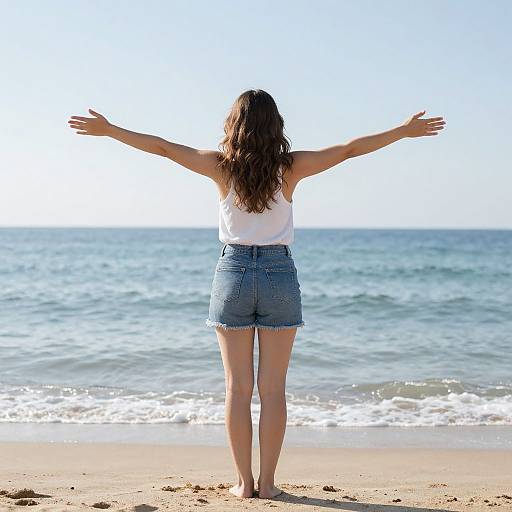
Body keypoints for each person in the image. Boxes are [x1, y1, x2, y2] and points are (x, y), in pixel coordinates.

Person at [68, 90, 445, 499]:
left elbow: (162, 148)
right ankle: (268, 484)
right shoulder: (291, 167)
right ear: (275, 126)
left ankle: (244, 485)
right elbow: (350, 150)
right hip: (279, 273)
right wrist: (403, 131)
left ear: (233, 126)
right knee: (273, 390)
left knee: (236, 388)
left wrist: (110, 131)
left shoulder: (220, 168)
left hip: (232, 272)